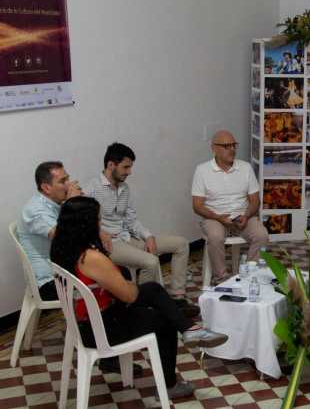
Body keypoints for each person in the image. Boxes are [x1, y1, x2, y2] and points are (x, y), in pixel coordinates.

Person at [50, 196, 228, 399]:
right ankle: (170, 384)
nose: (101, 225)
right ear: (87, 224)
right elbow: (129, 296)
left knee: (152, 289)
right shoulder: (91, 257)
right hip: (101, 329)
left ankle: (189, 329)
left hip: (83, 323)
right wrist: (124, 281)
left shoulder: (61, 248)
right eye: (98, 220)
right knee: (164, 322)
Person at [83, 143, 198, 317]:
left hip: (127, 237)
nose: (129, 172)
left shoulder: (124, 188)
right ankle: (141, 306)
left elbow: (131, 219)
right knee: (150, 262)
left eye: (130, 167)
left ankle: (177, 296)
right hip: (110, 245)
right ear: (111, 165)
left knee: (181, 244)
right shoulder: (90, 189)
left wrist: (148, 236)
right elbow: (83, 221)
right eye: (126, 167)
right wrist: (99, 233)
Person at [192, 130, 269, 282]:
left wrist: (246, 216)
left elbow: (255, 201)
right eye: (227, 146)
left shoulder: (245, 168)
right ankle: (222, 278)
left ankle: (250, 275)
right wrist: (218, 217)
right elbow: (197, 205)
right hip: (214, 217)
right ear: (214, 148)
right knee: (215, 237)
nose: (232, 149)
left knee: (262, 235)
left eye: (234, 145)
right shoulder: (202, 170)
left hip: (242, 215)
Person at [17, 162, 85, 301]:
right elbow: (64, 238)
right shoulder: (36, 210)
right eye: (62, 181)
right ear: (46, 187)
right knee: (111, 279)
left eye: (68, 178)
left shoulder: (56, 204)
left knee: (117, 272)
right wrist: (72, 204)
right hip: (49, 282)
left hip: (65, 271)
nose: (68, 184)